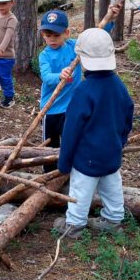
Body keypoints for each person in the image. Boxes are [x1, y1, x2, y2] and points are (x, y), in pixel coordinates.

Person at [53, 29, 134, 236]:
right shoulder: (119, 86)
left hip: (87, 157)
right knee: (112, 186)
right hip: (112, 153)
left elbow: (71, 130)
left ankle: (74, 225)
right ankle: (114, 219)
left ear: (83, 59)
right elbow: (128, 116)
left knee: (81, 190)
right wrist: (120, 142)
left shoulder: (84, 90)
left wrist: (64, 162)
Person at [38, 9, 82, 170]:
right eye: (48, 36)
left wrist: (110, 19)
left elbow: (95, 37)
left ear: (66, 33)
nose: (52, 40)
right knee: (50, 143)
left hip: (70, 108)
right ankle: (48, 173)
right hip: (50, 109)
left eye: (56, 35)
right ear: (43, 35)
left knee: (70, 140)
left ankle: (67, 170)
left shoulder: (74, 47)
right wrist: (59, 75)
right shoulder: (45, 56)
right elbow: (46, 77)